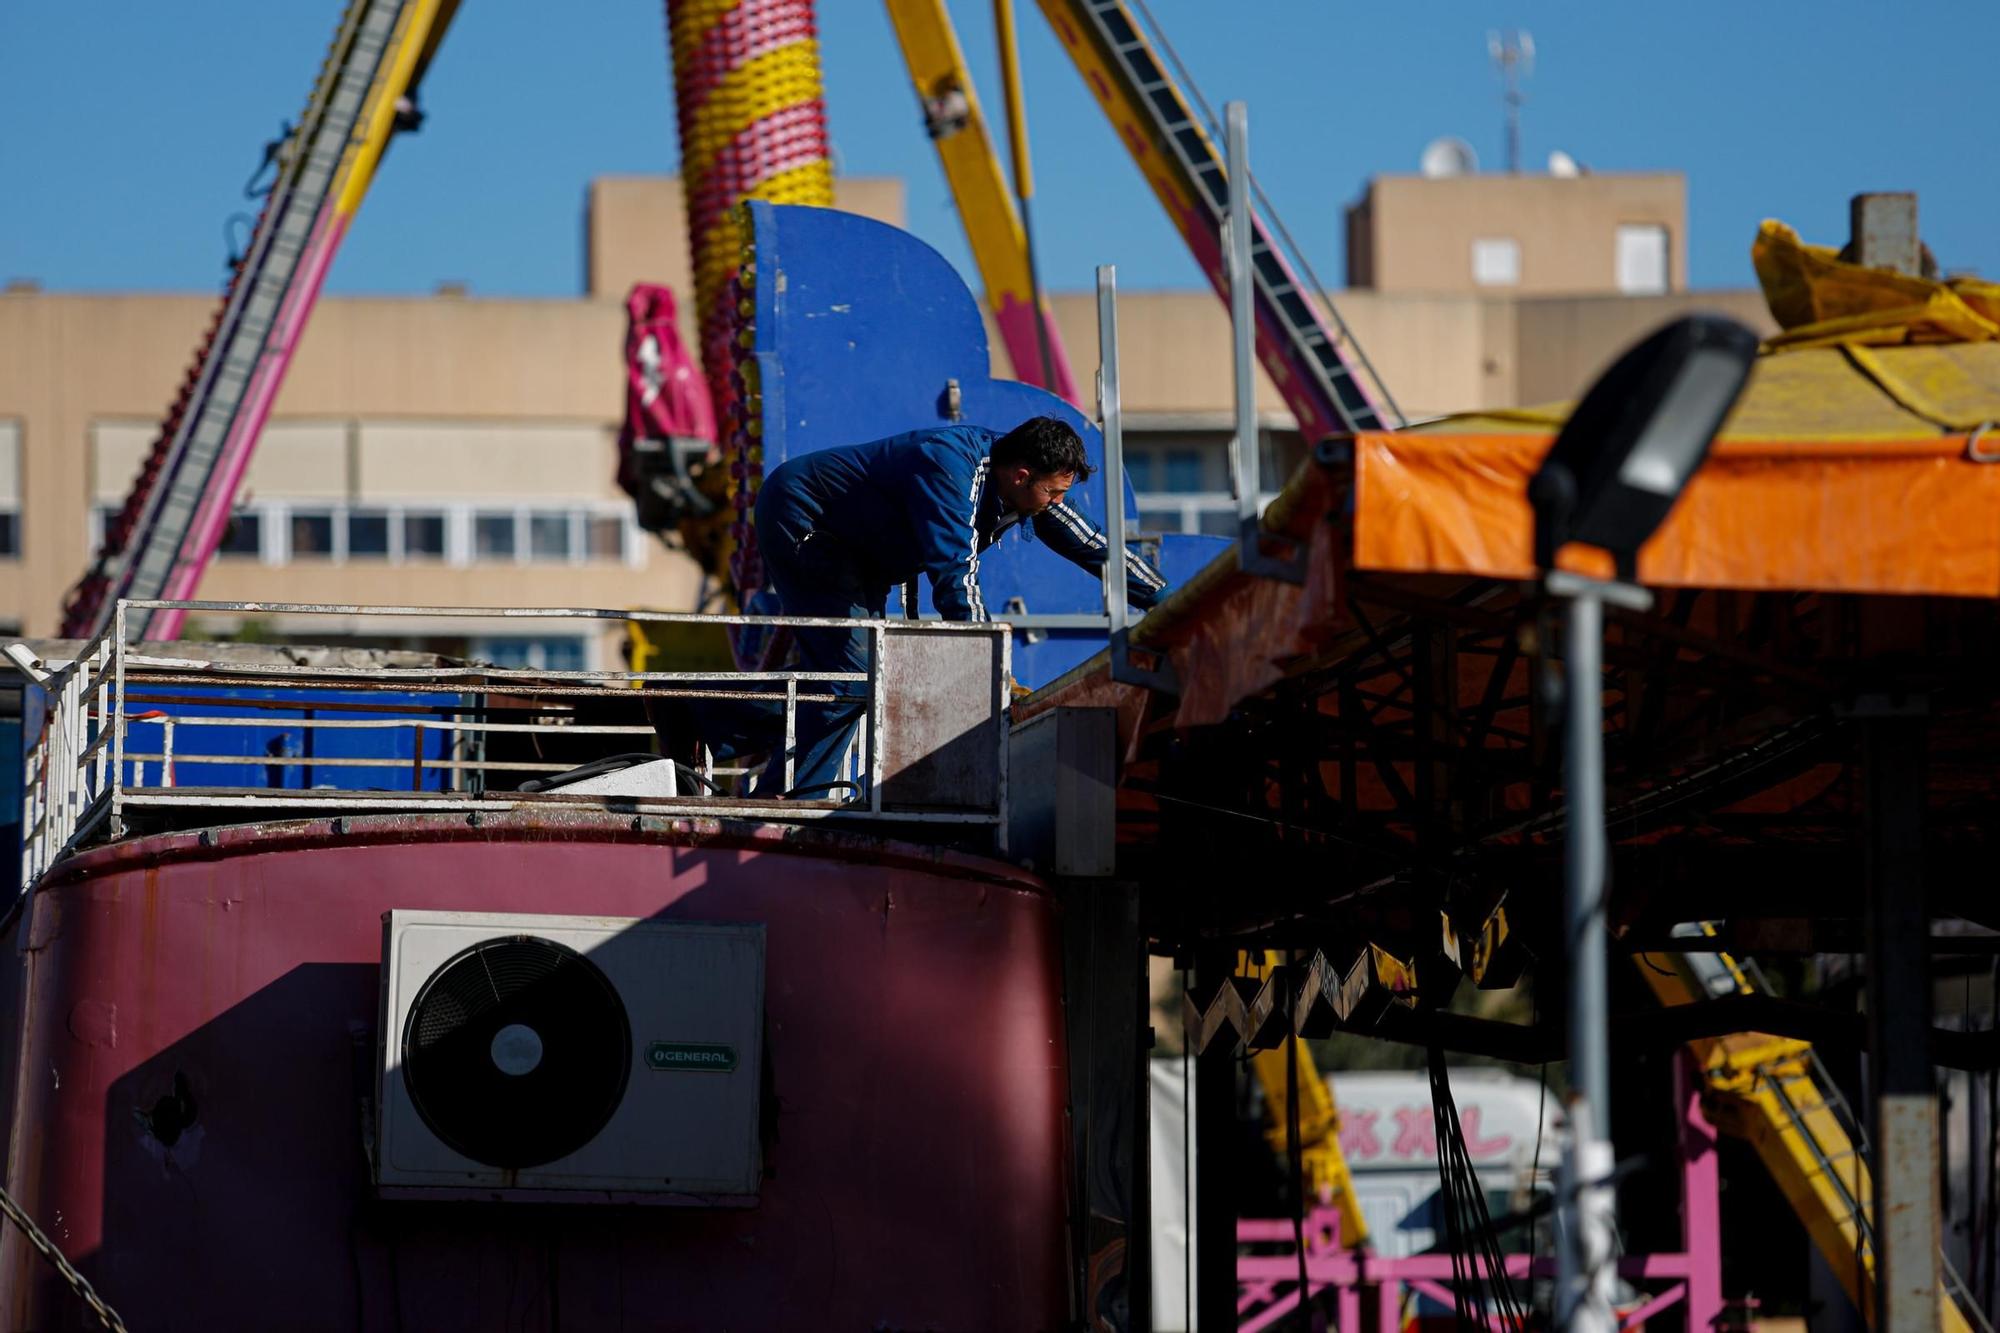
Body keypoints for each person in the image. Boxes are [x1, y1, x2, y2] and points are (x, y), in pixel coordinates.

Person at [689, 415, 1167, 797]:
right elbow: (955, 578)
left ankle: (706, 721)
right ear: (1022, 476)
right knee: (851, 679)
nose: (1056, 503)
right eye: (1053, 493)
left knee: (855, 681)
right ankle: (786, 792)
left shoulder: (1025, 485)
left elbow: (1094, 544)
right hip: (808, 523)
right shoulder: (951, 468)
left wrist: (1165, 602)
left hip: (862, 553)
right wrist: (992, 674)